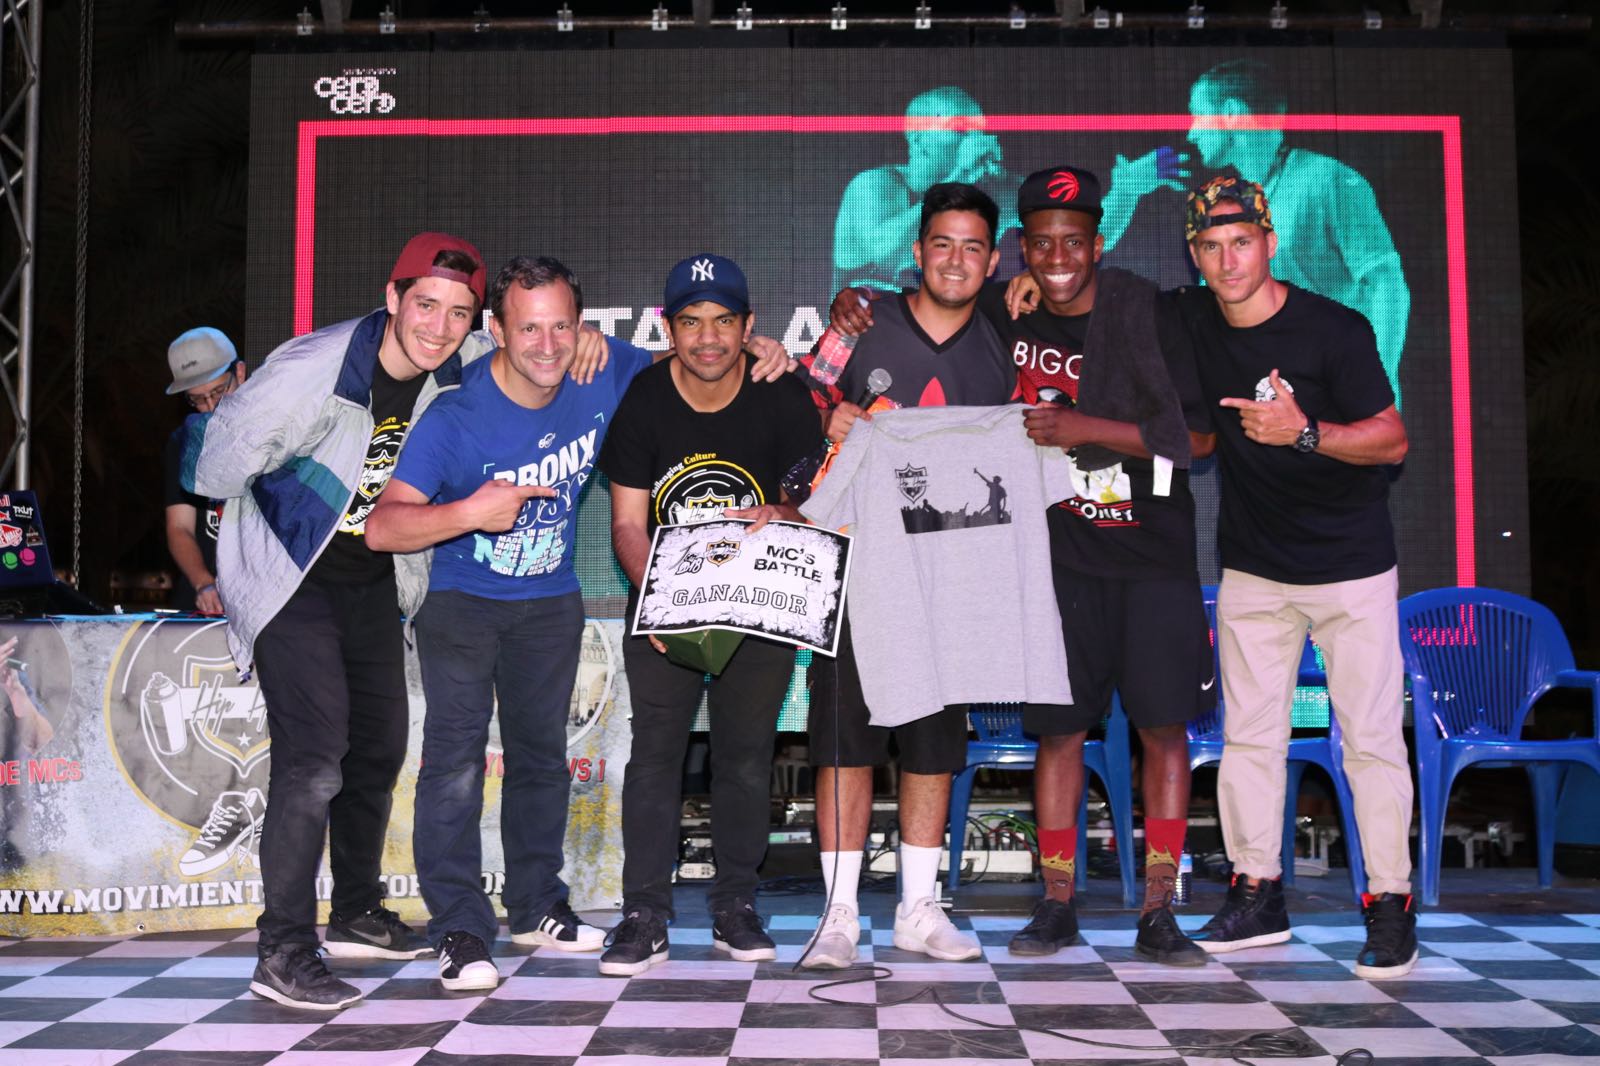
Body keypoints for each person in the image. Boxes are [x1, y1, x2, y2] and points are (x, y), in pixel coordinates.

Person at [835, 165, 1218, 966]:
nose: (1058, 257)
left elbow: (1198, 438)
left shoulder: (1146, 311)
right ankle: (1055, 903)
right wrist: (851, 305)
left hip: (1152, 555)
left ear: (1098, 244)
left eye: (1073, 242)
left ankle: (1161, 907)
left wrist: (1084, 426)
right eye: (1041, 243)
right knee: (1060, 732)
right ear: (1020, 251)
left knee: (1163, 730)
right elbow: (915, 311)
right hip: (1058, 559)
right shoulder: (1005, 318)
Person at [181, 232, 491, 1010]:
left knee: (378, 748)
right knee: (315, 761)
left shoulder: (461, 361)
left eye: (458, 313)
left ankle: (355, 910)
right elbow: (215, 468)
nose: (439, 327)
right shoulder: (311, 369)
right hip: (292, 581)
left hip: (372, 583)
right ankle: (283, 951)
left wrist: (587, 342)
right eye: (425, 305)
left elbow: (536, 351)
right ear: (392, 299)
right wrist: (300, 472)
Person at [365, 257, 650, 991]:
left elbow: (698, 367)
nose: (548, 346)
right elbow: (383, 526)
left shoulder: (605, 369)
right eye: (529, 329)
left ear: (581, 327)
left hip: (550, 601)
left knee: (542, 761)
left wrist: (767, 353)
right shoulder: (455, 416)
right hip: (461, 603)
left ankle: (535, 907)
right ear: (496, 331)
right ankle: (459, 927)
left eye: (562, 327)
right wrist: (469, 512)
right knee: (455, 766)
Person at [1176, 176, 1417, 980]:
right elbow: (1099, 297)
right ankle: (1257, 894)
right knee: (1249, 739)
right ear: (1195, 255)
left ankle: (1390, 905)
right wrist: (1020, 287)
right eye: (1212, 246)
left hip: (1351, 566)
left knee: (1371, 742)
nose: (1228, 261)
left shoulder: (1334, 328)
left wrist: (1304, 432)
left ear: (1270, 244)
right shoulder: (1192, 318)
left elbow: (1392, 440)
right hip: (1254, 567)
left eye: (1241, 242)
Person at [801, 182, 1018, 969]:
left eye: (972, 247)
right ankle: (838, 914)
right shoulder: (863, 321)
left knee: (932, 745)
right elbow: (799, 395)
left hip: (950, 574)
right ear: (918, 251)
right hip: (857, 567)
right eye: (942, 244)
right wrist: (824, 412)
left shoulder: (1003, 340)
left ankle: (919, 909)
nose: (955, 260)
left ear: (993, 260)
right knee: (844, 745)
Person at [594, 254, 819, 976]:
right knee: (655, 757)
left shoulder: (783, 396)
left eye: (724, 321)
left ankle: (735, 905)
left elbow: (817, 502)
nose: (709, 338)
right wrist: (657, 601)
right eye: (692, 322)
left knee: (746, 758)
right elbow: (628, 523)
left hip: (758, 607)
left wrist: (786, 513)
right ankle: (644, 913)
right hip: (665, 606)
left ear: (749, 327)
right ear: (669, 329)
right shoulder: (644, 399)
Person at [1099, 59, 1410, 404]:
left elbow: (1386, 282)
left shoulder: (1327, 180)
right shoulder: (1227, 206)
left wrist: (1380, 385)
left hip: (1331, 399)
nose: (1192, 133)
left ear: (1231, 113)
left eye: (1199, 115)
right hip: (1263, 404)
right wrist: (1125, 191)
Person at [831, 87, 1021, 295]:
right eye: (960, 129)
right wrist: (958, 179)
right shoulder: (874, 184)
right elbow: (887, 256)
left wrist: (1007, 188)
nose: (976, 141)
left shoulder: (990, 189)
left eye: (980, 131)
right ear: (918, 138)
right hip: (872, 313)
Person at [163, 328, 245, 614]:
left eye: (219, 392)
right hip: (203, 602)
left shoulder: (275, 434)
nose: (211, 406)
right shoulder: (183, 443)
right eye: (198, 399)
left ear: (240, 373)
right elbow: (179, 527)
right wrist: (203, 583)